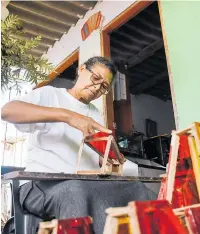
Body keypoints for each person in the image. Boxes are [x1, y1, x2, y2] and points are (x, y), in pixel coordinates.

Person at [1, 56, 156, 233]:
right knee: (76, 190)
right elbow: (7, 111)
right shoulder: (50, 95)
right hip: (42, 184)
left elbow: (99, 157)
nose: (97, 87)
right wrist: (68, 116)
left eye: (104, 86)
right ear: (81, 69)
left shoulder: (94, 113)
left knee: (136, 188)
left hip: (87, 183)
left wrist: (112, 156)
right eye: (96, 78)